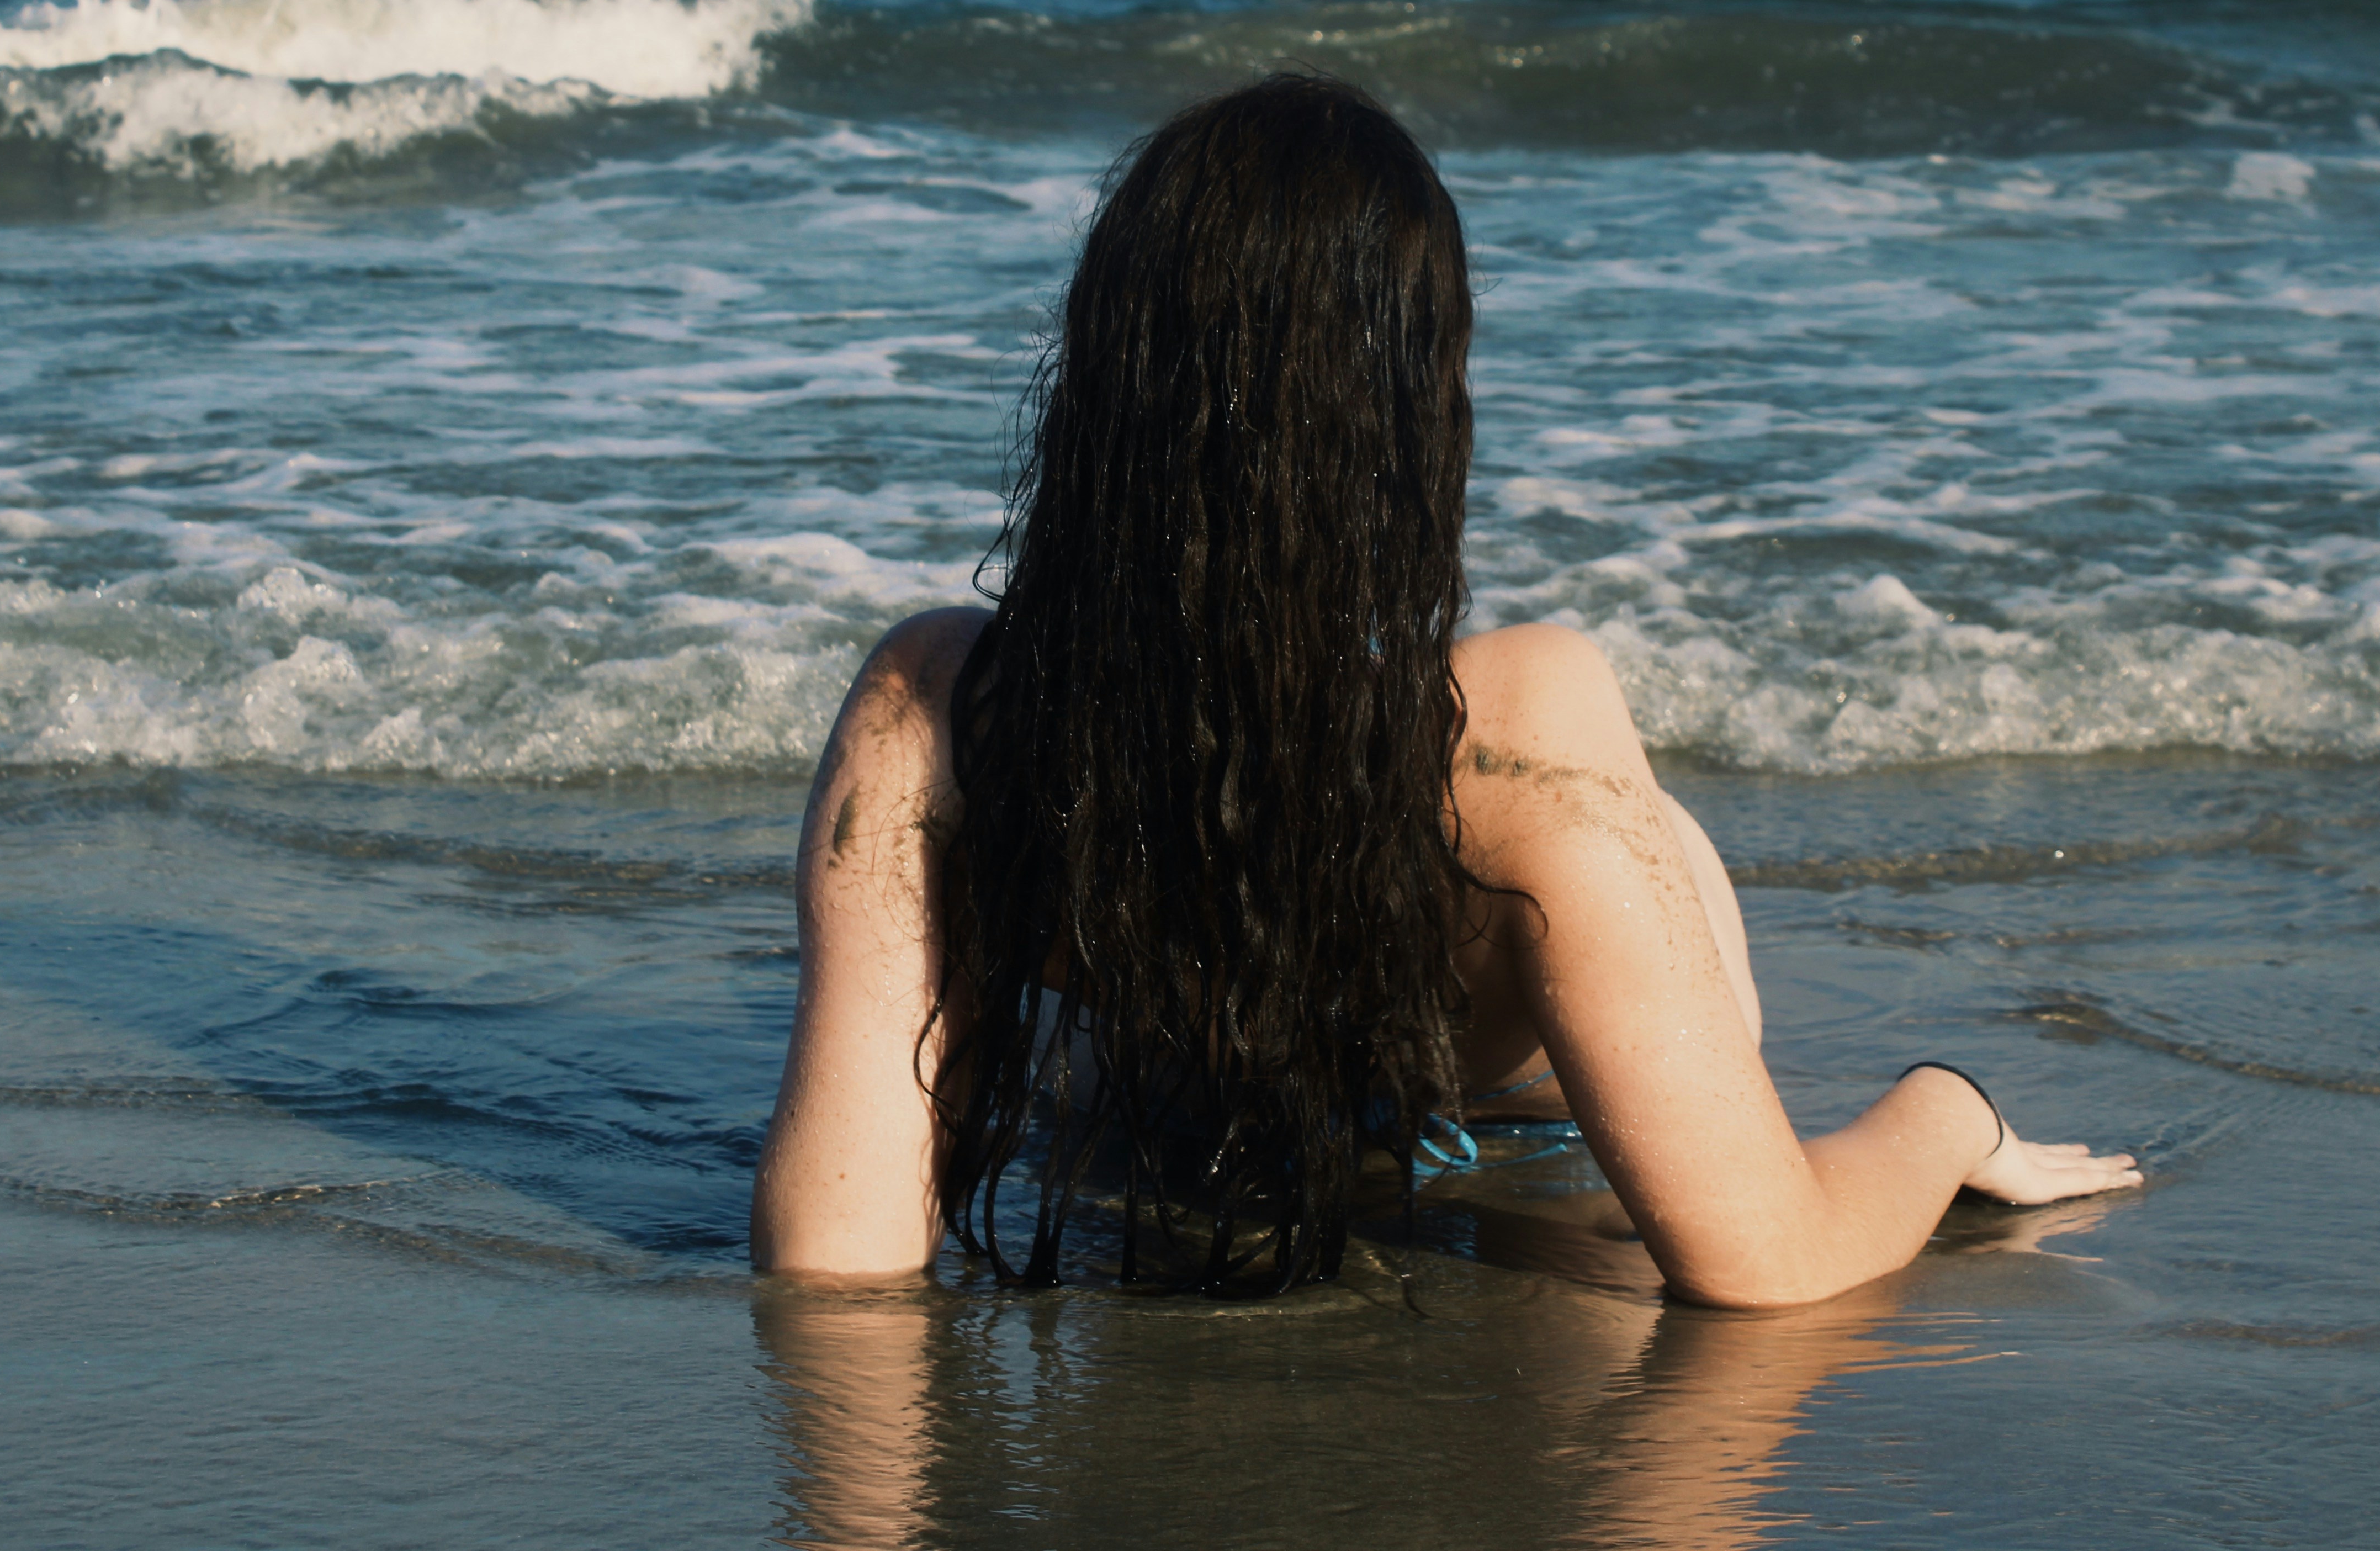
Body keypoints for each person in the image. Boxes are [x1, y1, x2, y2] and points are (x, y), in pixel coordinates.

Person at [751, 74, 2138, 1305]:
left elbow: (834, 1258)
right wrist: (1947, 1112)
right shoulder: (1510, 733)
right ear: (1411, 407)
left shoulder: (937, 708)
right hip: (1530, 1127)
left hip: (1170, 1112)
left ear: (1102, 381)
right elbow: (1771, 1266)